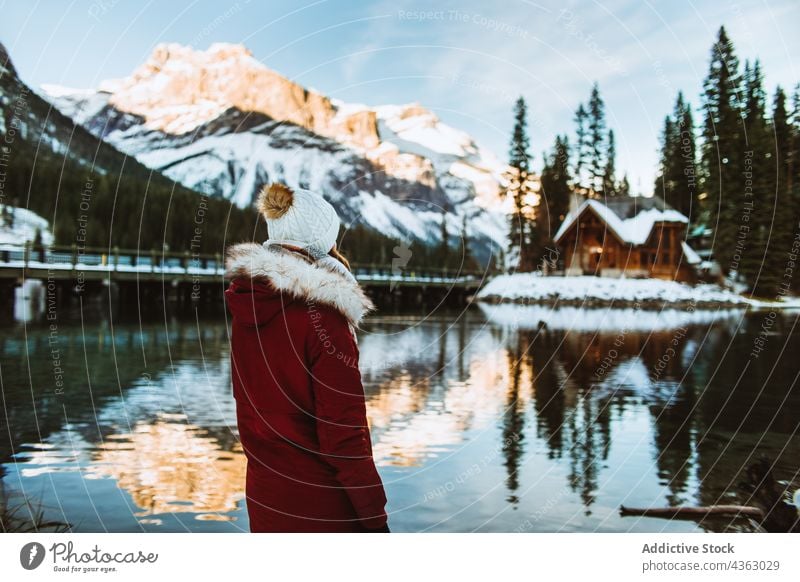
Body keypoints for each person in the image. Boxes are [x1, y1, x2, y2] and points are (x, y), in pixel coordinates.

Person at [224, 182, 389, 532]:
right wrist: (375, 518)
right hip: (323, 510)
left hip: (266, 501)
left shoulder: (247, 305)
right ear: (322, 244)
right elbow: (344, 436)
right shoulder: (324, 318)